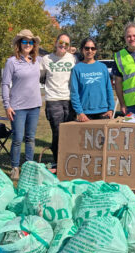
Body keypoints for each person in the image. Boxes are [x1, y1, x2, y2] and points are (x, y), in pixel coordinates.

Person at [2, 29, 42, 180]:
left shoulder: (37, 61)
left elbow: (54, 60)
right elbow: (5, 84)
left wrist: (71, 52)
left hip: (34, 106)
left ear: (34, 45)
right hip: (17, 107)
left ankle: (29, 167)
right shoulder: (11, 62)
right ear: (19, 44)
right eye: (24, 41)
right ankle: (15, 168)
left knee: (30, 138)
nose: (27, 44)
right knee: (18, 139)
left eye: (30, 42)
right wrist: (7, 106)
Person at [40, 33, 77, 167]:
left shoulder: (73, 59)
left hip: (69, 100)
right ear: (56, 43)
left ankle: (69, 162)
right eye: (61, 42)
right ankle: (58, 163)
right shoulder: (46, 59)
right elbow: (41, 77)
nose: (63, 45)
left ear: (69, 46)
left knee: (69, 133)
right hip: (53, 100)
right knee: (57, 132)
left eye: (66, 44)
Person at [70, 37, 114, 122]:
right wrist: (80, 112)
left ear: (96, 50)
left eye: (93, 48)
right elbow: (74, 93)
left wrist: (111, 108)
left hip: (103, 112)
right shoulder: (77, 69)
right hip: (85, 114)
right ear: (82, 49)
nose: (90, 51)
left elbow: (109, 89)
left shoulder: (102, 67)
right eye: (87, 48)